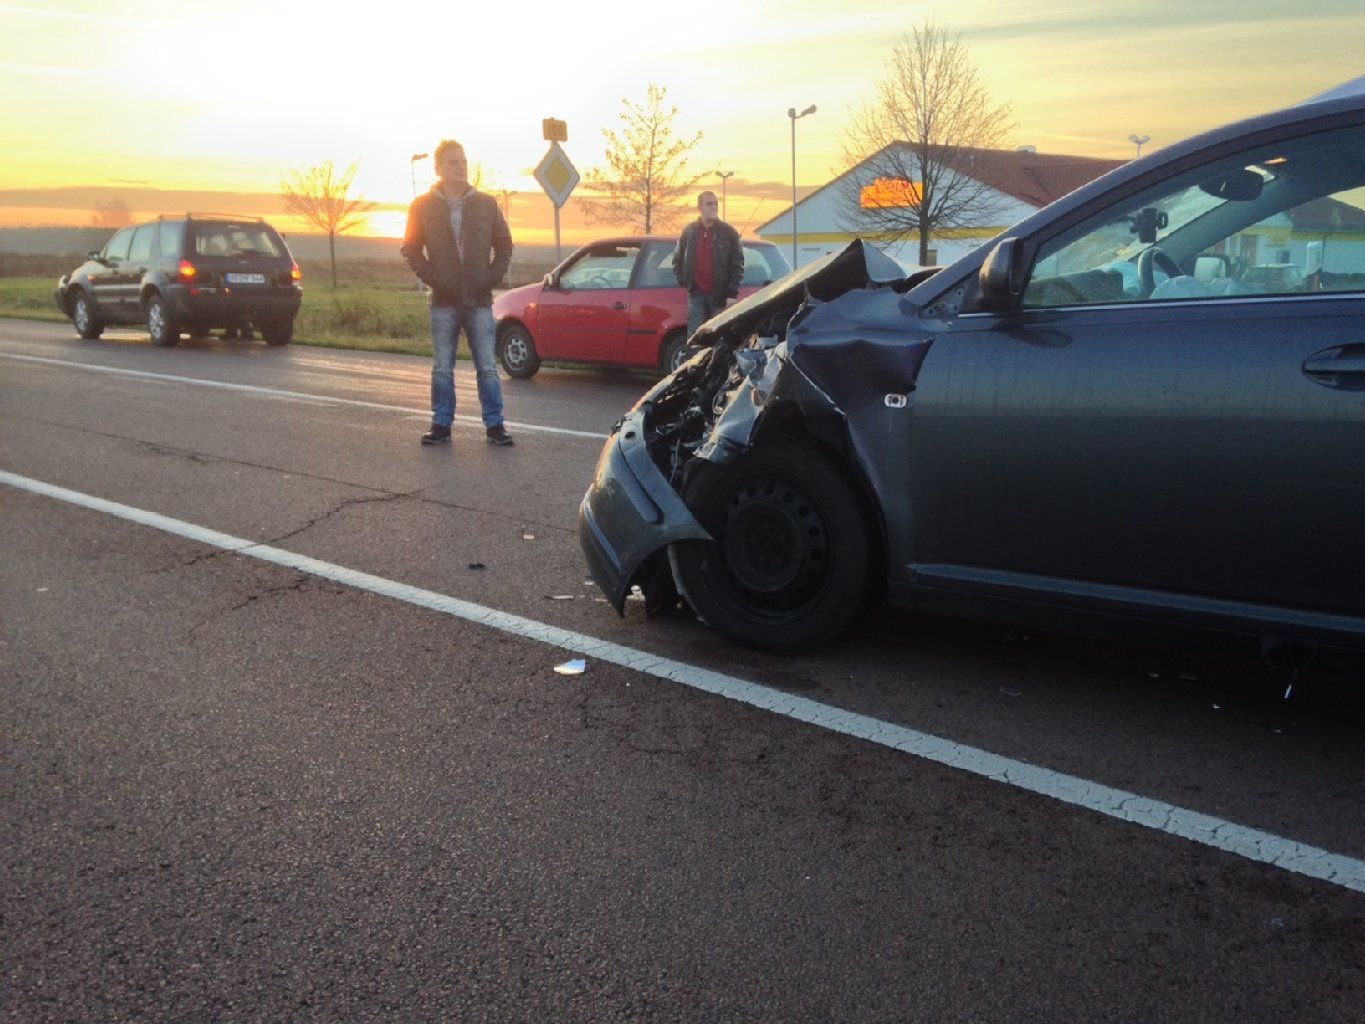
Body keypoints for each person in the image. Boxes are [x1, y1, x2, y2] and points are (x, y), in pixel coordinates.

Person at [401, 139, 515, 446]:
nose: (461, 166)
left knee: (488, 367)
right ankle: (441, 423)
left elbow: (504, 245)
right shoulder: (422, 206)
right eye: (453, 162)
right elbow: (410, 248)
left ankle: (495, 425)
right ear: (439, 169)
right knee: (442, 368)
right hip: (443, 300)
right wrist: (435, 278)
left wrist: (491, 277)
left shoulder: (487, 204)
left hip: (478, 298)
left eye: (463, 161)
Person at [671, 190, 744, 339]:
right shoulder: (689, 231)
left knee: (719, 339)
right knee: (696, 340)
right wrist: (686, 282)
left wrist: (732, 294)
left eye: (716, 204)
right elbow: (677, 260)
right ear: (700, 207)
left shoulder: (729, 233)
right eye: (709, 203)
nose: (714, 207)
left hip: (720, 297)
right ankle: (696, 363)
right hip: (696, 296)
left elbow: (738, 264)